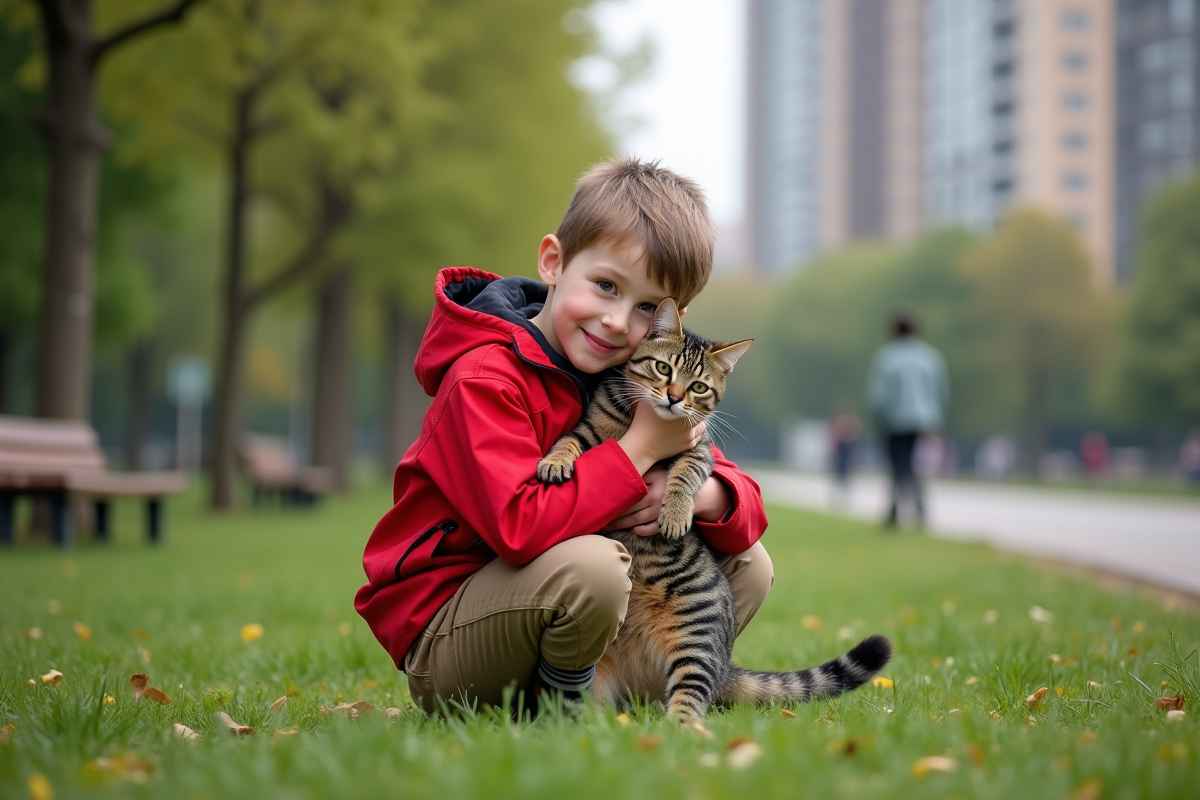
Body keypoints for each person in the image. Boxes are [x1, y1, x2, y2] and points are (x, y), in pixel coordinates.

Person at [354, 159, 771, 714]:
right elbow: (519, 529)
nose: (618, 322)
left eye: (647, 307)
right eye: (605, 286)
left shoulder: (638, 373)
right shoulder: (484, 378)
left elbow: (744, 506)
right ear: (553, 262)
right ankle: (555, 707)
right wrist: (640, 450)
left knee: (749, 565)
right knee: (594, 571)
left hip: (559, 607)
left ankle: (623, 686)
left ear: (673, 320)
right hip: (454, 630)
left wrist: (702, 494)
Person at [866, 312, 949, 529]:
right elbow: (941, 391)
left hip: (894, 420)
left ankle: (893, 510)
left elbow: (879, 396)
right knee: (915, 465)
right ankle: (920, 509)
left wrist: (877, 416)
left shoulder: (887, 357)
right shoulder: (930, 357)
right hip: (924, 420)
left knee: (896, 465)